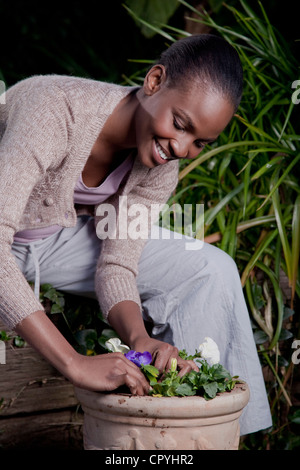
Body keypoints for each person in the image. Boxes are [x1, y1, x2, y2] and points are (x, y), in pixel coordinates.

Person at [0, 34, 272, 435]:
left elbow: (117, 264)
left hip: (48, 240)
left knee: (209, 268)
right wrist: (73, 362)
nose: (181, 147)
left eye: (200, 142)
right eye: (180, 125)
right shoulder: (55, 109)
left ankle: (212, 432)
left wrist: (139, 338)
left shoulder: (162, 162)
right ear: (155, 81)